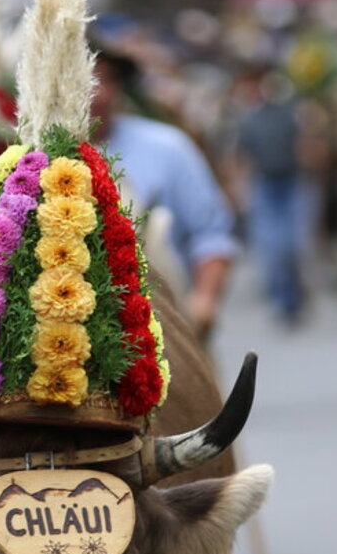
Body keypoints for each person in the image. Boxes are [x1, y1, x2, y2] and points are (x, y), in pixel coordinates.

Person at [92, 38, 238, 339]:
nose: (100, 92)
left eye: (109, 79)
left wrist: (203, 300)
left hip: (169, 330)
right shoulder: (31, 161)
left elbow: (211, 232)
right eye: (88, 80)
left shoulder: (167, 147)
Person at [230, 64, 319, 325]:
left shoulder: (295, 115)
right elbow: (240, 155)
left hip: (292, 183)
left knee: (294, 245)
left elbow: (309, 145)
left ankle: (296, 296)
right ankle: (283, 300)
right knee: (271, 248)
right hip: (265, 187)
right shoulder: (251, 120)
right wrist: (239, 186)